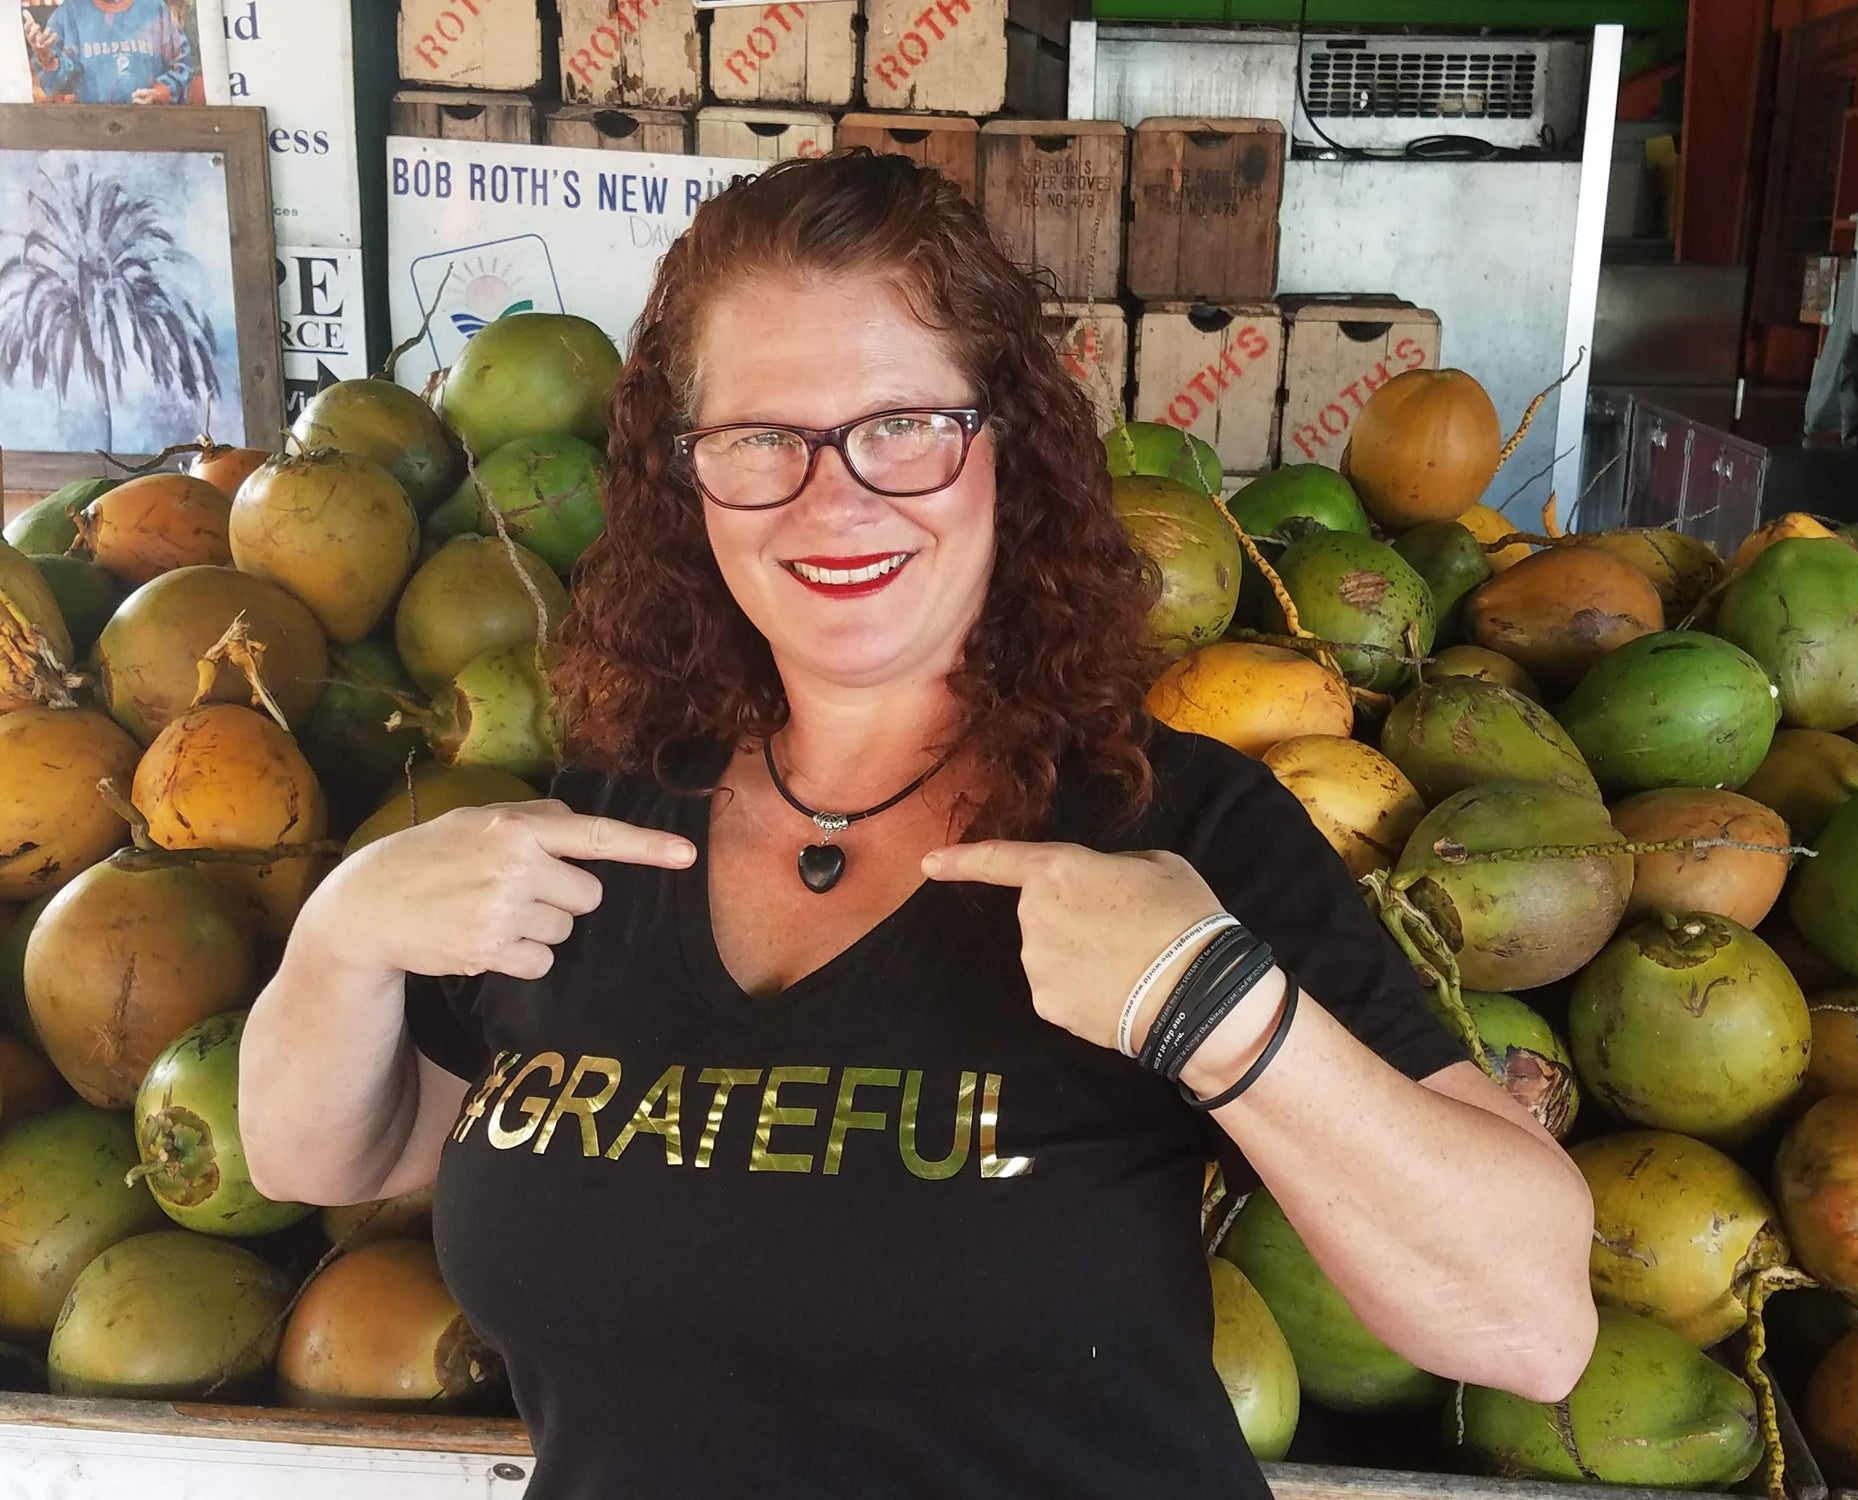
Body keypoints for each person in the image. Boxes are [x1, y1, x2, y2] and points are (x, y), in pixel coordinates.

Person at [240, 151, 1595, 1498]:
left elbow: (1529, 1326)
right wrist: (342, 937)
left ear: (1004, 439)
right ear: (685, 474)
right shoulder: (600, 821)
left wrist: (1219, 1014)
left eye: (903, 424)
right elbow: (336, 1151)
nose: (835, 497)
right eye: (763, 438)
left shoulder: (1170, 825)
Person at [23, 0, 192, 105]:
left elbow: (182, 66)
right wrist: (47, 59)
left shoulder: (154, 9)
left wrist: (162, 92)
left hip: (151, 130)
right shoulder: (68, 14)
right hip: (92, 135)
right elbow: (55, 86)